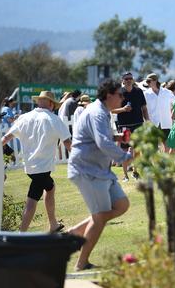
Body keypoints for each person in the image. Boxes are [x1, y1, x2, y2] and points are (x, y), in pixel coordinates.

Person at [66, 79, 133, 271]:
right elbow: (102, 142)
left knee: (121, 205)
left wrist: (118, 138)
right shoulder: (97, 113)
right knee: (100, 217)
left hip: (100, 170)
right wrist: (124, 157)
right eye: (120, 94)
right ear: (109, 95)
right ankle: (81, 263)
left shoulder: (102, 112)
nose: (123, 97)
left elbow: (99, 137)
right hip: (87, 170)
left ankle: (73, 233)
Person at [1, 91, 70, 232]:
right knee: (32, 200)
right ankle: (22, 233)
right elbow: (68, 144)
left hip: (31, 167)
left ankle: (53, 224)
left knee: (50, 187)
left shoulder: (24, 118)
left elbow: (6, 138)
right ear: (51, 104)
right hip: (42, 167)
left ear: (38, 102)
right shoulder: (54, 119)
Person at [112, 71, 149, 181]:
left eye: (130, 78)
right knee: (124, 150)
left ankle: (135, 171)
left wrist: (147, 120)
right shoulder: (118, 93)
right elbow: (112, 110)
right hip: (125, 125)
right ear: (122, 80)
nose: (128, 80)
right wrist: (123, 109)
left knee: (137, 150)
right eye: (126, 78)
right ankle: (125, 175)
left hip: (138, 124)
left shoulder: (139, 91)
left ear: (133, 80)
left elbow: (144, 108)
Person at [143, 73, 175, 151]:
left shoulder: (167, 92)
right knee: (153, 146)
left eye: (149, 81)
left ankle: (165, 162)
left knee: (167, 145)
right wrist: (146, 121)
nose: (147, 83)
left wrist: (173, 116)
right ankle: (154, 163)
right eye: (147, 81)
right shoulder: (146, 94)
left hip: (166, 122)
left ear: (155, 81)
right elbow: (144, 109)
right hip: (152, 123)